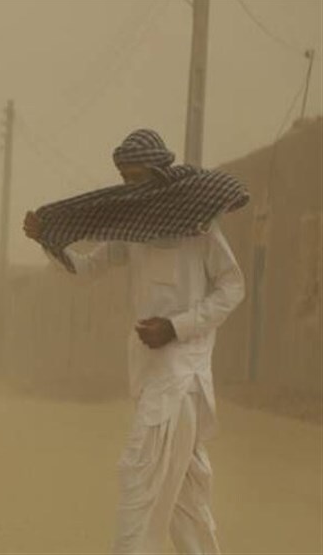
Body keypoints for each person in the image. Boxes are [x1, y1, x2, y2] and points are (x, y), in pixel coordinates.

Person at [23, 129, 246, 554]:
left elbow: (233, 287)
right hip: (151, 374)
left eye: (136, 178)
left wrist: (177, 326)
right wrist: (46, 241)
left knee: (138, 479)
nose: (129, 188)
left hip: (182, 379)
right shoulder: (134, 227)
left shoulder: (199, 223)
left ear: (159, 174)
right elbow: (86, 269)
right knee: (187, 502)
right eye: (123, 179)